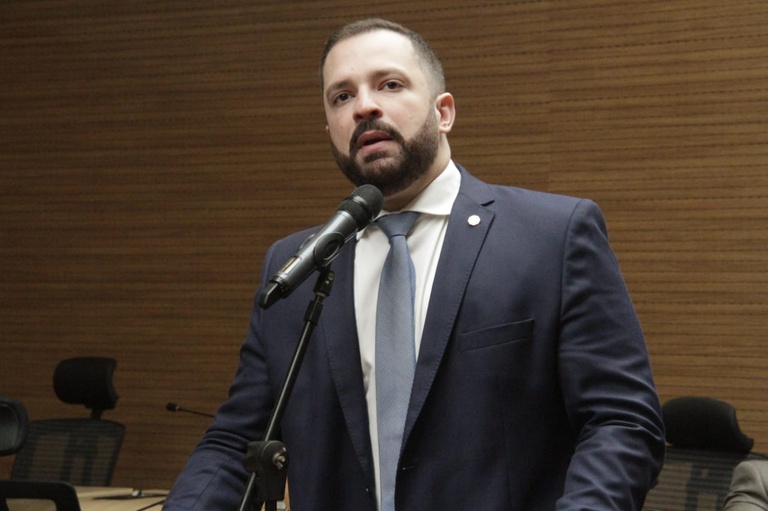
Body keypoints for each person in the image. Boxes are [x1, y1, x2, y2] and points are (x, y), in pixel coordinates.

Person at [163, 18, 665, 511]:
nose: (364, 106)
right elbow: (237, 442)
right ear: (330, 130)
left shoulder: (551, 237)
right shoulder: (298, 266)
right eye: (342, 96)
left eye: (390, 84)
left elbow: (622, 423)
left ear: (443, 112)